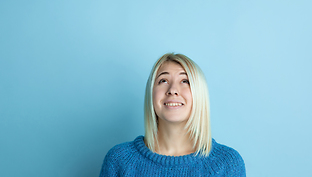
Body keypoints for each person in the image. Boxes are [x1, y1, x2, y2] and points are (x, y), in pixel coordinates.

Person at [99, 53, 246, 176]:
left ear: (199, 95)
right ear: (151, 93)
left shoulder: (228, 163)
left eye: (185, 81)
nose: (173, 90)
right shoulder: (119, 160)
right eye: (163, 80)